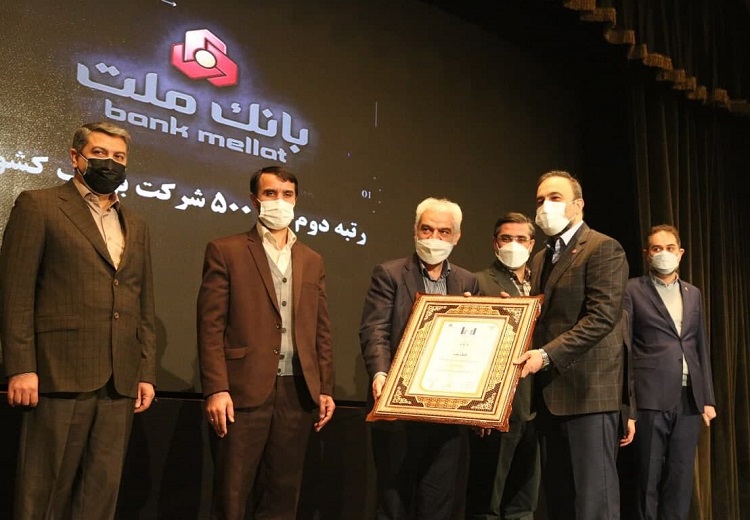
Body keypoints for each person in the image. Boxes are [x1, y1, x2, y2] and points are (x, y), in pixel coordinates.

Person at [0, 121, 157, 519]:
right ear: (76, 157)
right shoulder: (39, 205)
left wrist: (145, 371)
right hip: (58, 373)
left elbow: (142, 302)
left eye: (119, 157)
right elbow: (15, 292)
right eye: (100, 154)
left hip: (120, 379)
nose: (110, 163)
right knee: (43, 493)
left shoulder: (136, 224)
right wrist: (20, 366)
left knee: (100, 495)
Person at [197, 165, 335, 520]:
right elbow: (210, 326)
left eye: (287, 195)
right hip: (242, 390)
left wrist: (325, 387)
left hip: (297, 392)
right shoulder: (225, 250)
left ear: (296, 200)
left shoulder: (312, 259)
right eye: (270, 194)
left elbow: (321, 328)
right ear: (254, 200)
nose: (279, 201)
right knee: (232, 494)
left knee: (283, 495)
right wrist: (216, 388)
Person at [514, 170, 629, 520]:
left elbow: (602, 318)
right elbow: (545, 317)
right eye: (540, 200)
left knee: (594, 502)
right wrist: (514, 317)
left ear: (578, 205)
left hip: (588, 396)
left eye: (555, 198)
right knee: (560, 500)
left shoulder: (603, 248)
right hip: (550, 396)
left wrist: (546, 355)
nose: (545, 206)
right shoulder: (540, 258)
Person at [359, 197, 480, 520]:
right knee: (393, 505)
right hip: (398, 409)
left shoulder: (468, 281)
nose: (434, 238)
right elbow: (374, 330)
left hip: (446, 414)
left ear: (457, 237)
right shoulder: (390, 273)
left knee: (437, 505)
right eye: (427, 229)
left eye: (443, 232)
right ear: (415, 230)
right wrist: (380, 375)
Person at [623, 224, 716, 520]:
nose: (663, 253)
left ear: (681, 253)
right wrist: (629, 406)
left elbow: (700, 346)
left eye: (669, 248)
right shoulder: (632, 289)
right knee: (647, 478)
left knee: (681, 477)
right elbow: (625, 348)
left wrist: (707, 398)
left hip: (689, 398)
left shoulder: (693, 293)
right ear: (647, 254)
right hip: (650, 397)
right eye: (657, 248)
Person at [465, 212, 540, 520]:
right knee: (488, 501)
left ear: (532, 244)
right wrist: (478, 409)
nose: (514, 245)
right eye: (506, 238)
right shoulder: (479, 281)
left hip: (538, 405)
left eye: (521, 239)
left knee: (524, 501)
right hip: (497, 407)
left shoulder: (544, 283)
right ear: (495, 243)